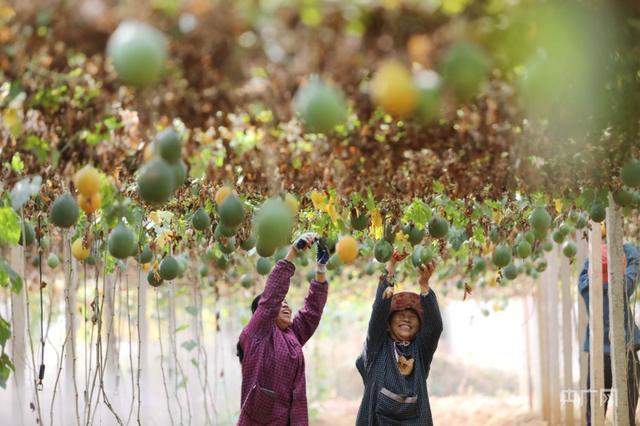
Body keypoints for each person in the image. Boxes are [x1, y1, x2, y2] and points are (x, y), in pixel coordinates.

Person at [236, 232, 330, 426]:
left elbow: (312, 312)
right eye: (281, 303)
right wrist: (293, 253)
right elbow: (271, 298)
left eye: (287, 303)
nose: (286, 306)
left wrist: (321, 269)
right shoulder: (257, 334)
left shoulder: (291, 334)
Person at [355, 250, 443, 426]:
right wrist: (391, 267)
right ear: (387, 324)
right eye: (400, 314)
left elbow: (435, 327)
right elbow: (379, 312)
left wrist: (424, 285)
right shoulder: (377, 346)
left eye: (413, 316)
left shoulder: (420, 350)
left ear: (419, 326)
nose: (406, 318)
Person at [579, 226, 640, 425]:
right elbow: (635, 260)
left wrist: (596, 254)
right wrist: (620, 245)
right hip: (625, 350)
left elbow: (585, 272)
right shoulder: (621, 288)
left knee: (595, 409)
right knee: (629, 407)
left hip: (600, 353)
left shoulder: (587, 289)